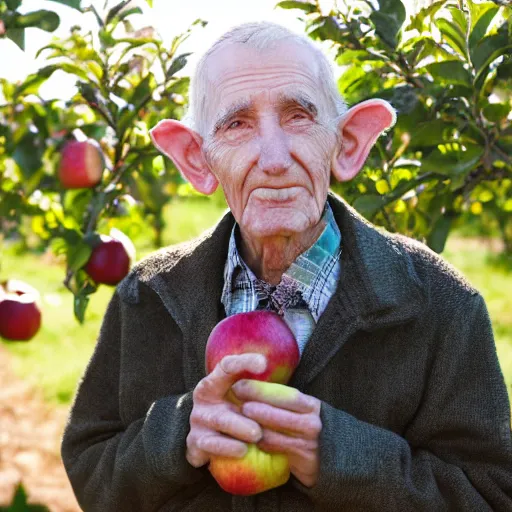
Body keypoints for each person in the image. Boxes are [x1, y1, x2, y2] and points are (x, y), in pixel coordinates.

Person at [61, 21, 512, 511]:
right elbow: (91, 470)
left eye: (298, 116)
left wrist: (338, 454)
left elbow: (488, 495)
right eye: (237, 124)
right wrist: (179, 435)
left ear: (348, 144)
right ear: (197, 160)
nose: (274, 158)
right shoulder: (145, 297)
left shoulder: (442, 307)